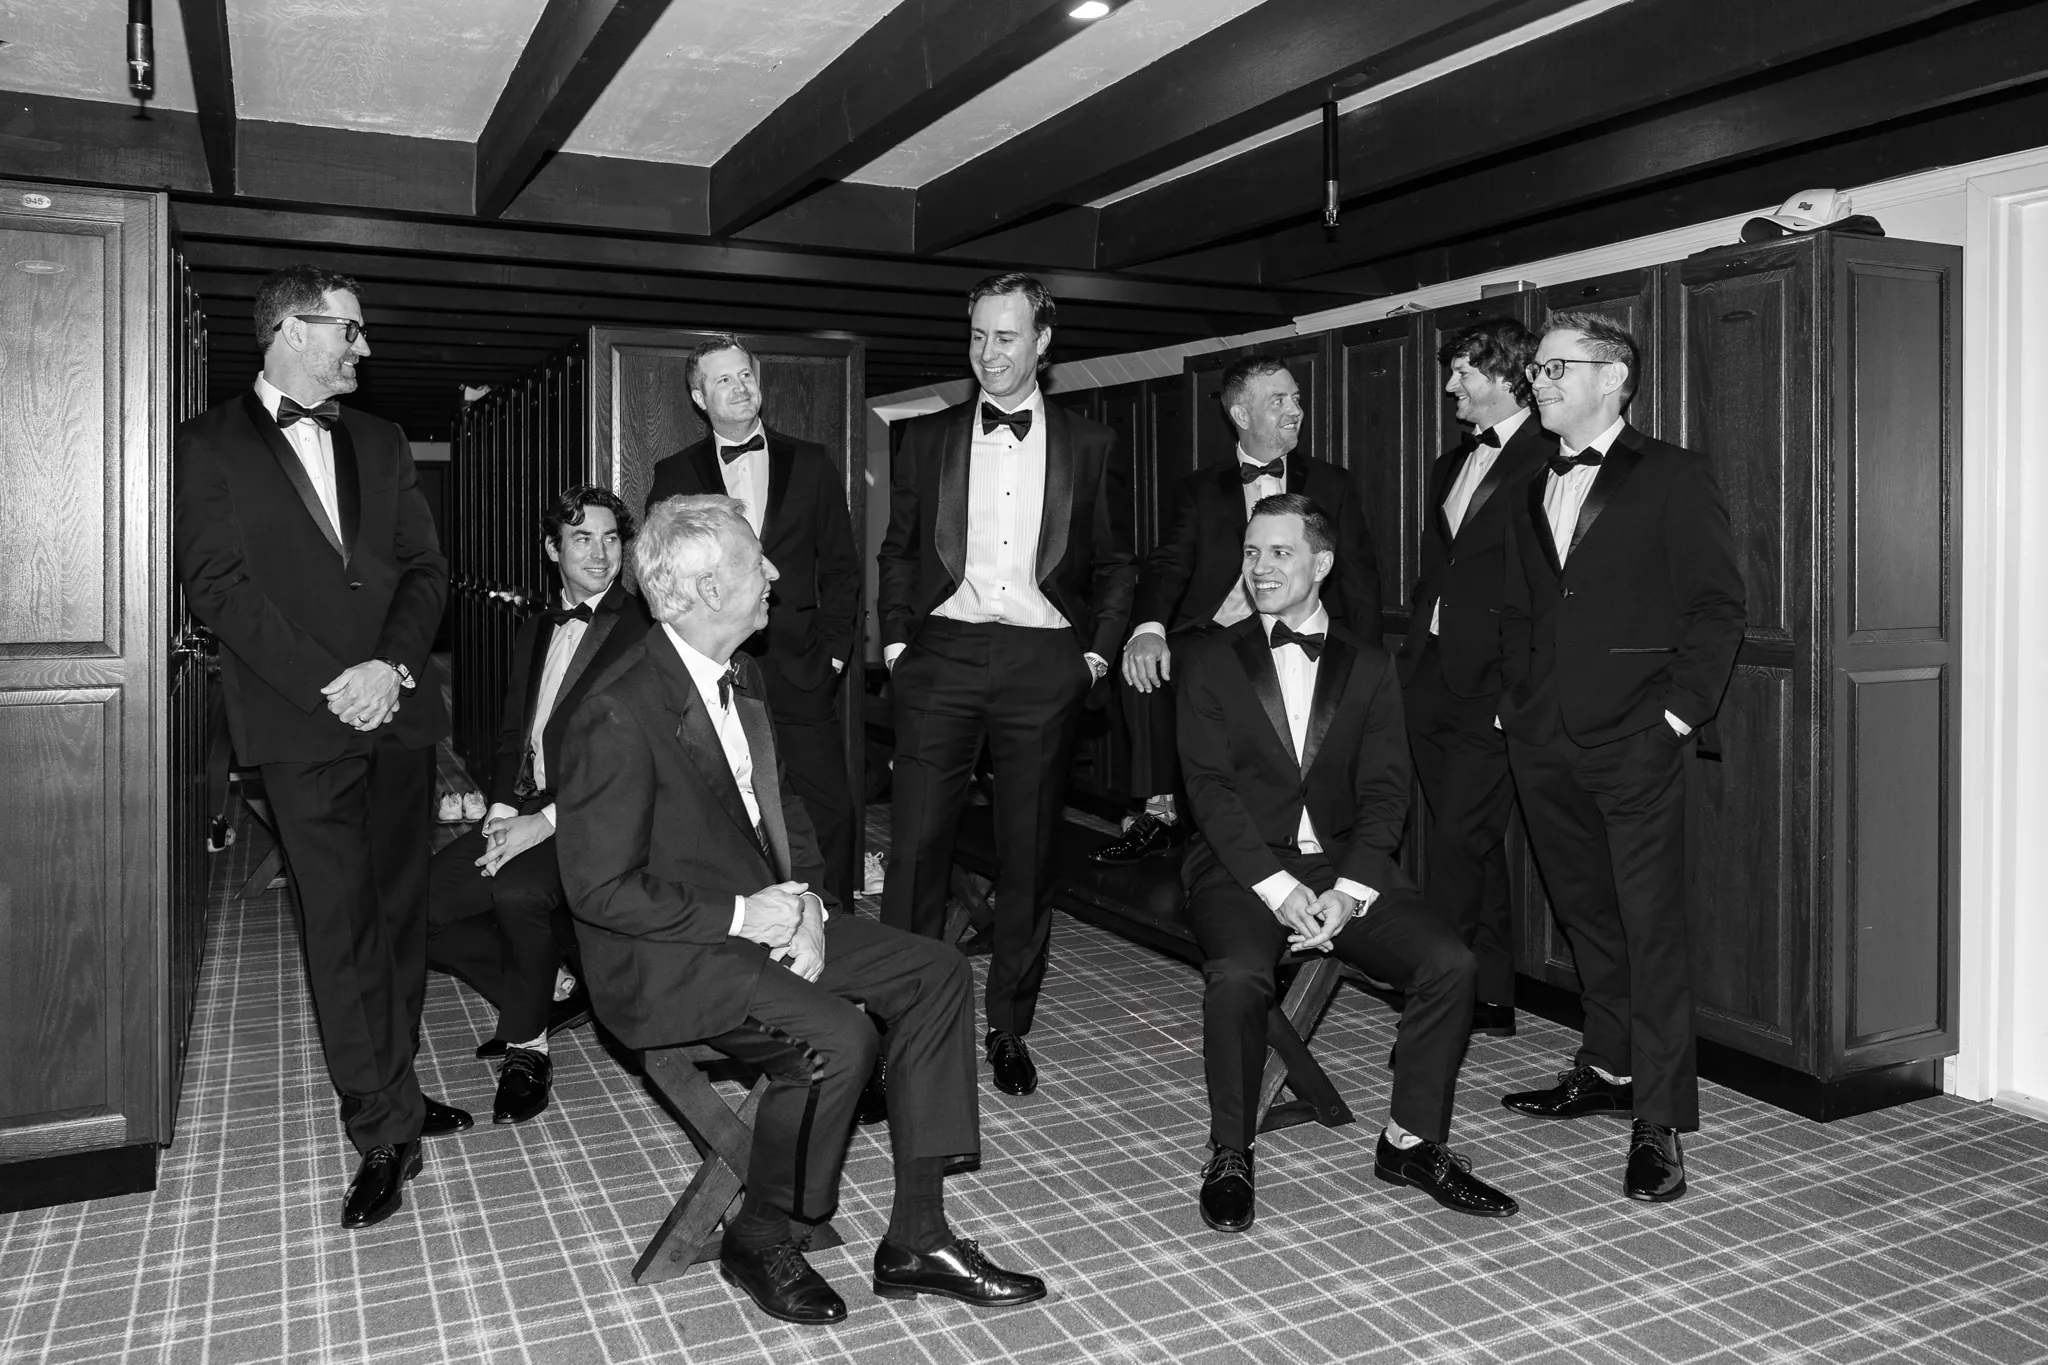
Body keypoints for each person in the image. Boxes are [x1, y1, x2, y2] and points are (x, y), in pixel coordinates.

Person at [555, 495, 1046, 1325]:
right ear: (709, 590)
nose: (776, 574)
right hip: (667, 956)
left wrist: (811, 906)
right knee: (838, 1040)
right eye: (757, 561)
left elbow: (788, 818)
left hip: (765, 919)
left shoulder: (741, 674)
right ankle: (759, 1234)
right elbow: (599, 890)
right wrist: (746, 916)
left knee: (936, 971)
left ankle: (918, 1238)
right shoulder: (616, 710)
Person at [174, 264, 463, 1230]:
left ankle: (401, 1085)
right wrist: (333, 682)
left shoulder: (382, 440)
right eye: (350, 329)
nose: (363, 347)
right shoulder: (206, 444)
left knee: (401, 911)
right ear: (294, 331)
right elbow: (218, 588)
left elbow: (426, 568)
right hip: (301, 721)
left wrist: (390, 666)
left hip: (398, 711)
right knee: (339, 924)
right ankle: (379, 1125)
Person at [1176, 493, 1518, 1232]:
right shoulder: (1209, 658)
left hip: (1342, 865)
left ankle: (1409, 1142)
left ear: (1322, 562)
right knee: (1237, 976)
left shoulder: (1369, 664)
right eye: (1252, 552)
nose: (1260, 568)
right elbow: (1209, 793)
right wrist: (1277, 889)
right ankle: (1231, 1149)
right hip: (1242, 866)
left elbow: (1387, 791)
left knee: (1450, 963)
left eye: (1280, 552)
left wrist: (1351, 890)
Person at [1496, 312, 1745, 1203]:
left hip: (1637, 738)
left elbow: (1717, 608)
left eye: (1554, 367)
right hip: (1543, 739)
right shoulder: (1529, 476)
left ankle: (1660, 1118)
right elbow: (1525, 604)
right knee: (1586, 915)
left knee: (1651, 927)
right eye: (1535, 369)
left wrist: (1674, 717)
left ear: (1613, 377)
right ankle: (1608, 1066)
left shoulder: (1674, 473)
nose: (1537, 381)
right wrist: (1513, 707)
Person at [877, 272, 1137, 1096]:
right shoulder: (928, 437)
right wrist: (897, 647)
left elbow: (1116, 563)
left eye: (1006, 336)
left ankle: (1009, 1024)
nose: (988, 354)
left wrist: (1094, 658)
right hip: (943, 655)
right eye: (978, 336)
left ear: (1043, 342)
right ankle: (901, 1024)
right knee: (916, 849)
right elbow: (899, 549)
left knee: (1028, 852)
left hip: (1043, 660)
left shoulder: (1091, 443)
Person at [1096, 355, 1381, 866]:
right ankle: (1159, 813)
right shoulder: (1201, 488)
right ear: (1242, 415)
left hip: (1300, 635)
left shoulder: (1332, 484)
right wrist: (1148, 627)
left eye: (1297, 398)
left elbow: (1359, 576)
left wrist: (1371, 665)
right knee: (1144, 667)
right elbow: (1169, 563)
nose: (1295, 410)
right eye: (1279, 400)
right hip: (1218, 635)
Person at [424, 485, 650, 1124]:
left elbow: (634, 762)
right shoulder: (537, 626)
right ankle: (546, 987)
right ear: (552, 549)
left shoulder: (642, 628)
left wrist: (545, 824)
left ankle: (529, 1046)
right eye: (582, 539)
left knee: (517, 893)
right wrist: (500, 812)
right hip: (524, 805)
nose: (600, 554)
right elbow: (512, 735)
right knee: (418, 906)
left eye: (611, 539)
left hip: (595, 814)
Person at [644, 336, 862, 910]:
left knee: (830, 812)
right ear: (699, 397)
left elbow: (842, 568)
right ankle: (752, 926)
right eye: (724, 379)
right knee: (724, 814)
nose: (740, 387)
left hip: (801, 668)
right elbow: (661, 578)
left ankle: (839, 928)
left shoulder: (810, 461)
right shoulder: (674, 473)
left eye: (745, 375)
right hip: (715, 671)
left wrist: (833, 654)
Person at [1397, 319, 1555, 1035]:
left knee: (1459, 841)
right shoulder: (1448, 463)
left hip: (1495, 682)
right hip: (1431, 673)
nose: (1451, 386)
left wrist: (1518, 686)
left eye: (1464, 372)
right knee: (1470, 838)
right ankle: (1490, 993)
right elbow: (1442, 568)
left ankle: (1435, 1004)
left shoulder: (1549, 457)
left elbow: (1549, 585)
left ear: (1507, 375)